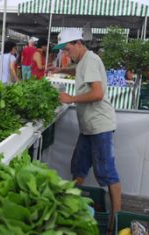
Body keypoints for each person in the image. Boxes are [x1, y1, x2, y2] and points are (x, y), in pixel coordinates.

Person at [51, 28, 121, 235]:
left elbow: (98, 93)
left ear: (78, 43)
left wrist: (70, 98)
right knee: (78, 167)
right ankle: (68, 205)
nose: (65, 53)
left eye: (67, 48)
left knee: (107, 173)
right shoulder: (84, 60)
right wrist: (60, 71)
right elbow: (78, 70)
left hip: (99, 126)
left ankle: (114, 223)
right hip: (89, 127)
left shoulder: (89, 60)